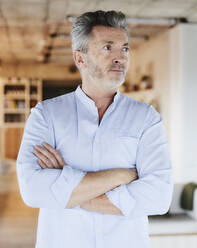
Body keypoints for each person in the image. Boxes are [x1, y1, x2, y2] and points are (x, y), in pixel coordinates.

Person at [16, 10, 173, 248]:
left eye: (125, 48)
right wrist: (122, 176)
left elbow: (159, 197)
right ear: (80, 59)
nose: (120, 57)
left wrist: (65, 185)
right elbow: (33, 190)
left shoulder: (146, 118)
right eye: (108, 48)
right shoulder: (46, 115)